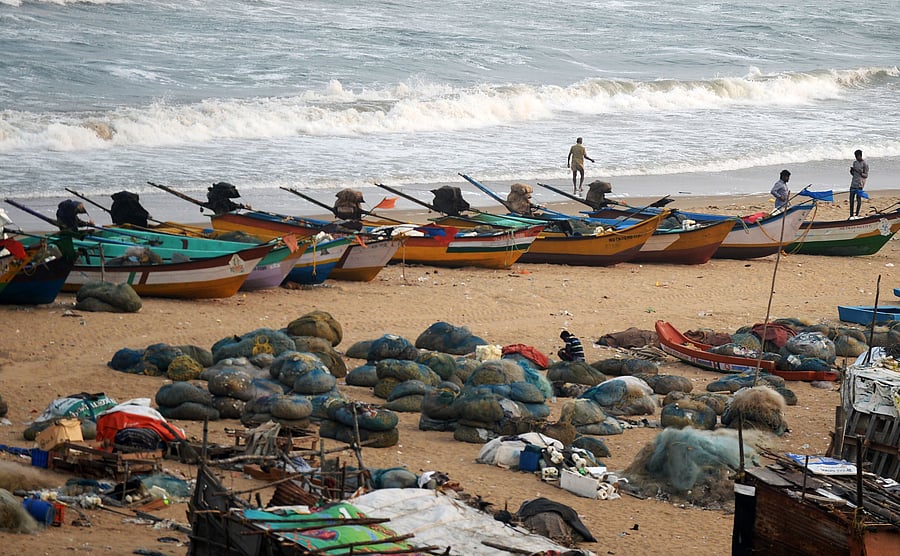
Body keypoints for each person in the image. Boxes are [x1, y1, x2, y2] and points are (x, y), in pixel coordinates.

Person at [849, 149, 868, 219]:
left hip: (860, 184)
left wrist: (860, 172)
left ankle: (856, 214)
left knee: (858, 199)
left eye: (857, 156)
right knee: (851, 199)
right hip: (853, 183)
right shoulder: (855, 163)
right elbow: (853, 174)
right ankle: (851, 215)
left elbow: (866, 175)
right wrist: (852, 171)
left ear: (860, 156)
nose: (856, 158)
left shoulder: (865, 164)